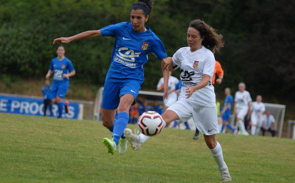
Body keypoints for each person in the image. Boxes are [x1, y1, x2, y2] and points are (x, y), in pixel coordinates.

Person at [53, 0, 170, 155]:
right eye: (132, 17)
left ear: (146, 18)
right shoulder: (121, 28)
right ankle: (122, 137)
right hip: (113, 77)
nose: (135, 21)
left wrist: (166, 83)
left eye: (138, 18)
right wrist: (70, 39)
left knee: (123, 107)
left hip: (132, 78)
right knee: (107, 122)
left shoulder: (152, 39)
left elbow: (165, 62)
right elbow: (95, 32)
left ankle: (114, 142)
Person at [124, 19, 232, 181]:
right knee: (165, 117)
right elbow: (167, 65)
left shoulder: (207, 55)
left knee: (210, 142)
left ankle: (223, 169)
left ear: (202, 37)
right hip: (186, 99)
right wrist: (166, 84)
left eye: (193, 36)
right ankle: (139, 140)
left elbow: (206, 79)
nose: (189, 39)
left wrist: (194, 88)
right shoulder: (182, 52)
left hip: (205, 102)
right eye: (188, 36)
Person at [193, 54, 224, 139]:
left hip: (209, 88)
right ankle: (197, 131)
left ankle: (209, 132)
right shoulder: (197, 60)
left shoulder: (216, 63)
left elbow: (221, 72)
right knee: (196, 109)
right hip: (196, 87)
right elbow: (192, 68)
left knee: (207, 110)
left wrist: (220, 79)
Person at [46, 45, 75, 119]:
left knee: (58, 99)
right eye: (59, 50)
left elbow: (73, 72)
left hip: (63, 83)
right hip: (55, 83)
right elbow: (51, 69)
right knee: (54, 101)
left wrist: (67, 75)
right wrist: (49, 73)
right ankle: (65, 104)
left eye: (62, 50)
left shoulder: (67, 61)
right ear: (57, 51)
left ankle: (60, 117)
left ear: (64, 52)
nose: (60, 51)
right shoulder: (53, 60)